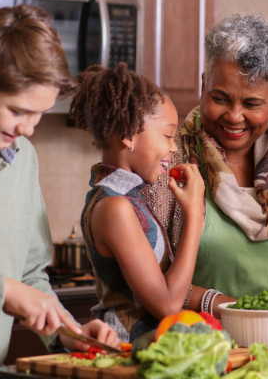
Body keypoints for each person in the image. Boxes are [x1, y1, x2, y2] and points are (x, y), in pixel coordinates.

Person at [0, 5, 120, 377]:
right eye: (19, 111)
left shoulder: (22, 156)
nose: (30, 129)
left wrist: (68, 333)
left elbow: (30, 276)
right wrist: (0, 291)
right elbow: (10, 289)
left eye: (40, 114)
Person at [144, 13, 268, 312]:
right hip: (199, 345)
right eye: (220, 98)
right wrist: (244, 311)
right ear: (204, 86)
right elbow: (149, 280)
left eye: (253, 104)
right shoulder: (167, 161)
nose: (234, 116)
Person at [69, 63, 206, 342]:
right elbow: (167, 304)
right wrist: (194, 216)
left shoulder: (128, 199)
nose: (174, 147)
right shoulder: (114, 207)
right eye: (168, 135)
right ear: (128, 134)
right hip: (123, 353)